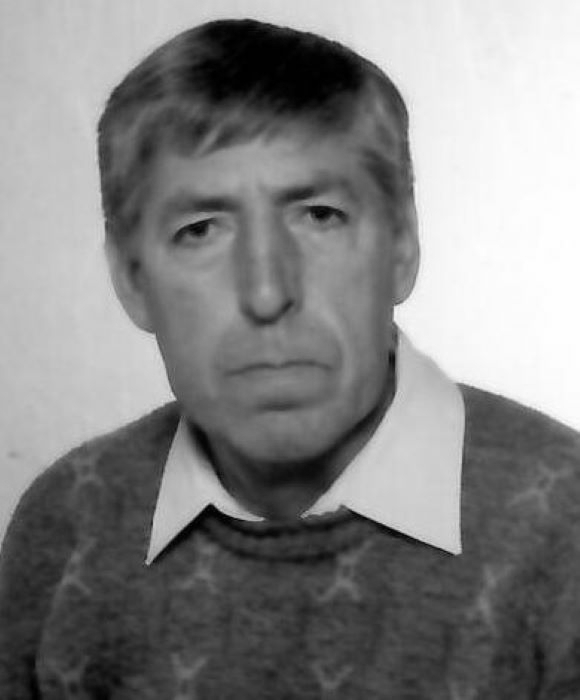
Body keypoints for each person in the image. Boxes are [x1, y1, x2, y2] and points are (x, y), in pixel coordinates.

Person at [1, 17, 579, 699]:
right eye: (200, 230)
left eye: (319, 215)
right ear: (132, 281)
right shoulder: (68, 521)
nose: (267, 292)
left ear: (401, 247)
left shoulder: (564, 529)